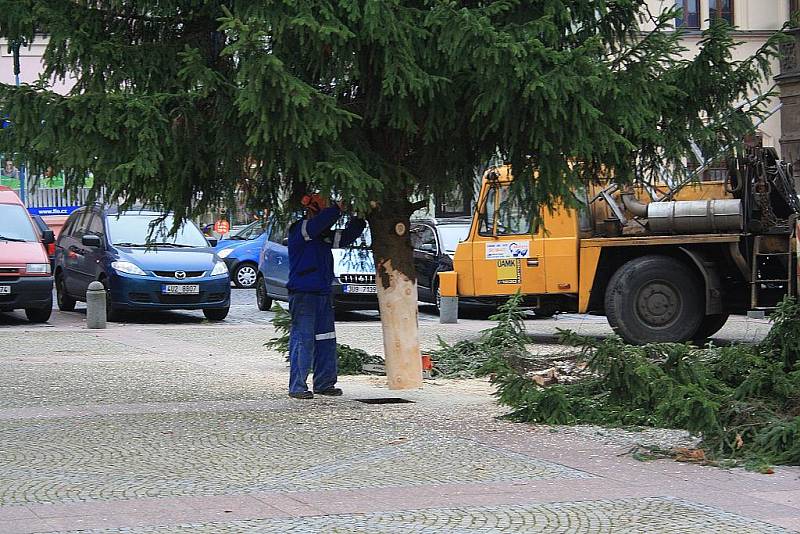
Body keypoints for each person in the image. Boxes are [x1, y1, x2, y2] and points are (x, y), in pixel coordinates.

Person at [286, 193, 366, 399]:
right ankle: (297, 386)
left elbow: (347, 236)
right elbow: (322, 221)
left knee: (326, 340)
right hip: (303, 294)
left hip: (321, 293)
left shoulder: (322, 235)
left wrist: (360, 218)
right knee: (303, 340)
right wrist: (338, 208)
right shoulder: (301, 229)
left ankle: (324, 383)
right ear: (313, 209)